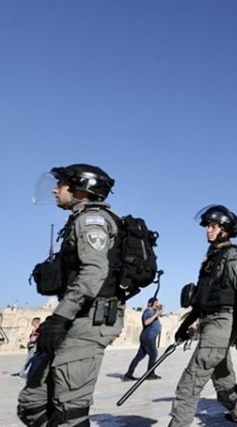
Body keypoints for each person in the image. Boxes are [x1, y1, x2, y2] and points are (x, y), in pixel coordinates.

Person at [19, 164, 124, 426]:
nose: (55, 190)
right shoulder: (78, 219)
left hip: (89, 320)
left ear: (81, 189)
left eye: (61, 185)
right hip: (73, 317)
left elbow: (95, 271)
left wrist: (60, 317)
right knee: (31, 404)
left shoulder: (93, 221)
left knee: (69, 412)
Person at [169, 205, 237, 427]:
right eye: (208, 226)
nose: (208, 230)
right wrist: (186, 325)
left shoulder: (233, 256)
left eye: (213, 226)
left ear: (225, 229)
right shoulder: (212, 257)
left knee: (189, 385)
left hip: (221, 323)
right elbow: (203, 298)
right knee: (225, 387)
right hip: (210, 322)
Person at [123, 297, 163, 381]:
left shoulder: (152, 312)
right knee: (153, 354)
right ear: (150, 304)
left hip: (148, 337)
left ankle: (128, 375)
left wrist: (158, 312)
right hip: (148, 337)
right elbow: (146, 322)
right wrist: (156, 314)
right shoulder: (148, 311)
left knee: (139, 356)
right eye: (155, 304)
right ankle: (150, 374)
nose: (156, 305)